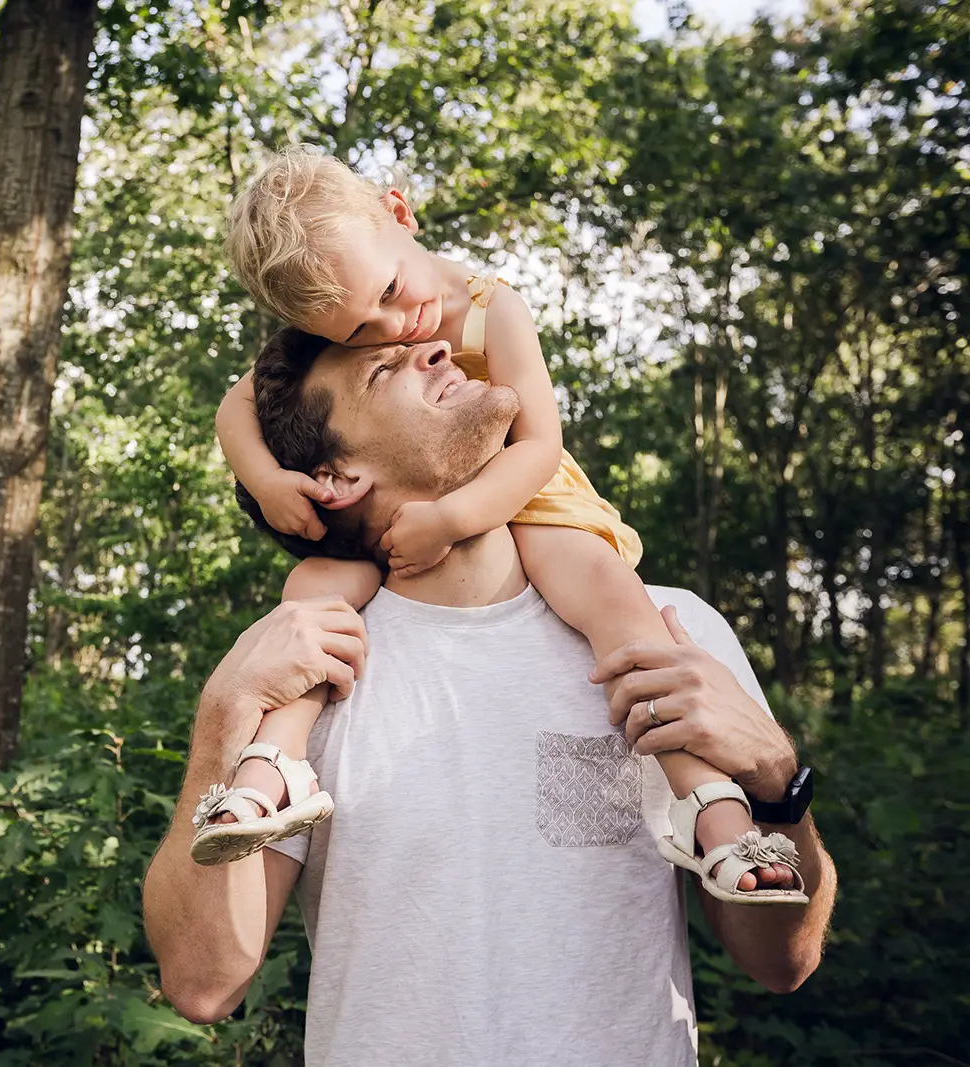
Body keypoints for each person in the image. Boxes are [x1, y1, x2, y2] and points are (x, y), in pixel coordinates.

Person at [141, 326, 836, 1065]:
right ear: (337, 476)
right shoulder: (302, 672)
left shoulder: (670, 633)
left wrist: (774, 775)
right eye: (385, 371)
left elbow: (782, 962)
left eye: (431, 345)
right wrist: (224, 712)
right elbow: (204, 982)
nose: (441, 352)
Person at [192, 148, 798, 904]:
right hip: (406, 510)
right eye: (360, 331)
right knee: (308, 601)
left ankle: (713, 806)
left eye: (389, 292)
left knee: (620, 611)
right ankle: (268, 770)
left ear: (400, 211)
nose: (392, 325)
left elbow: (540, 444)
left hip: (529, 490)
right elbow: (235, 406)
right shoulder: (343, 305)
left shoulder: (491, 306)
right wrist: (267, 477)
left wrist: (449, 517)